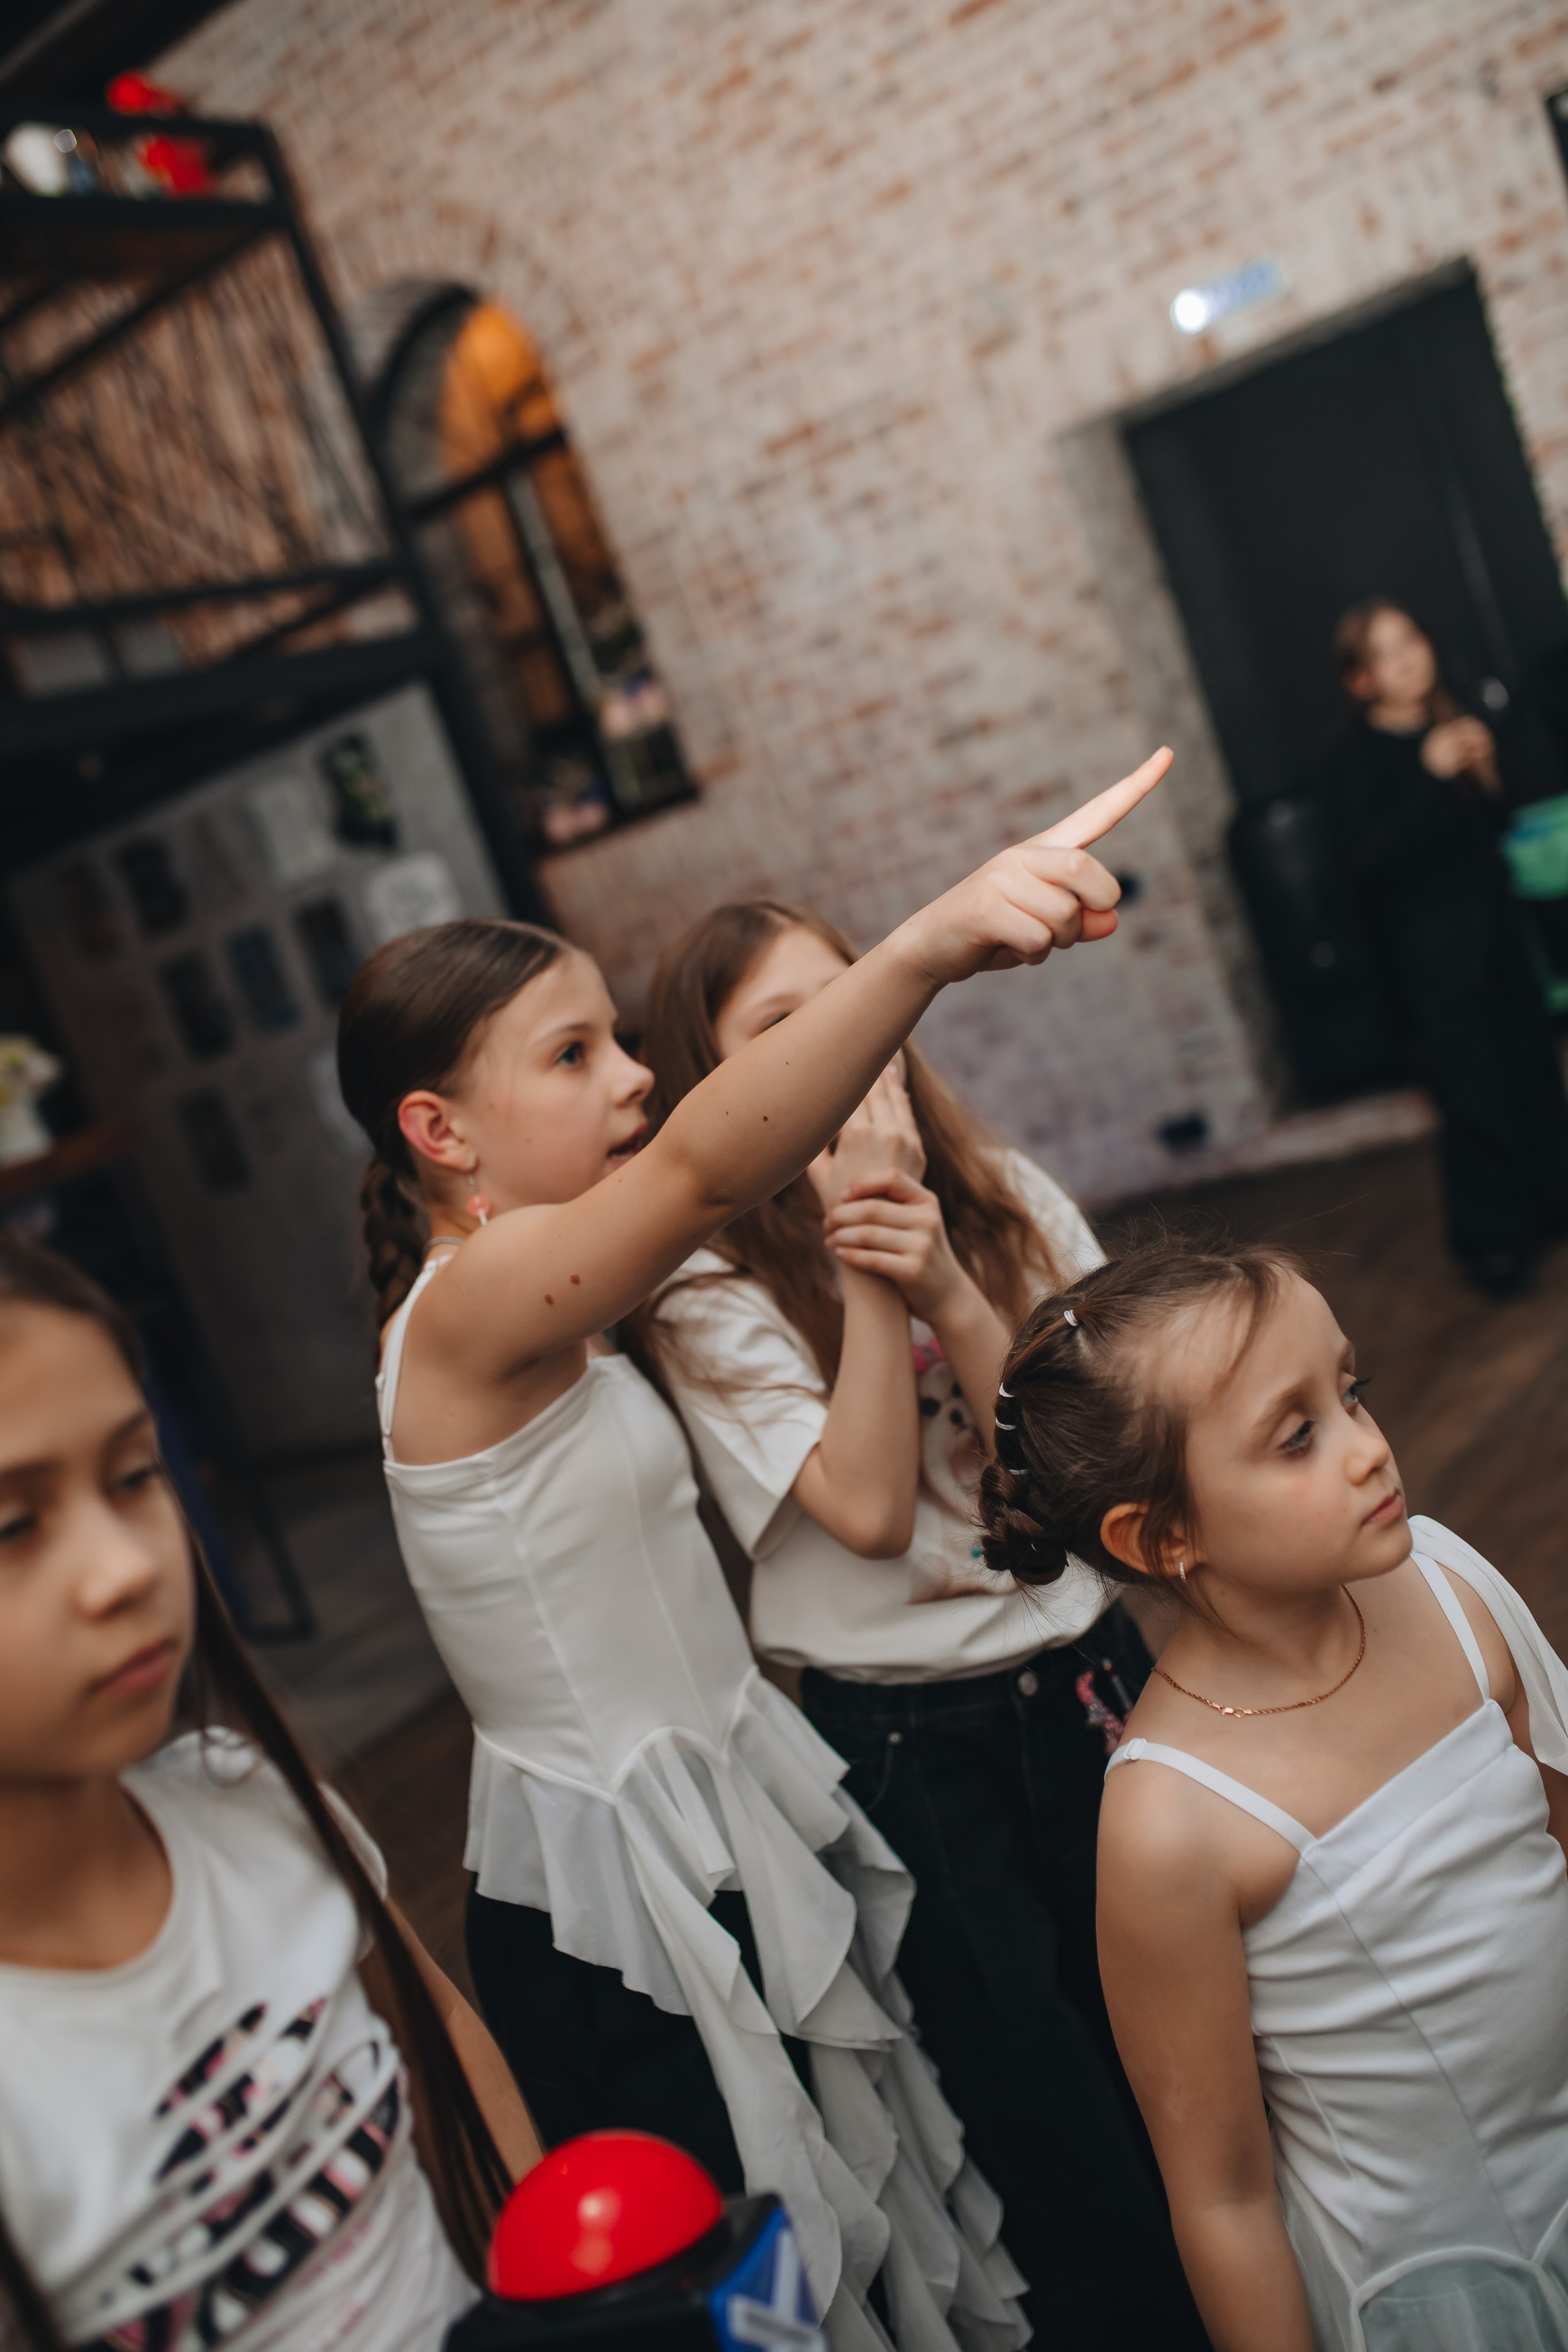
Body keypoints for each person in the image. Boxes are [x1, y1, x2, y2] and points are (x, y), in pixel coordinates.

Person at [334, 750, 1170, 2352]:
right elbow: (720, 1163)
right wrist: (928, 949)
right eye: (579, 1056)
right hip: (622, 1888)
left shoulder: (561, 1300)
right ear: (439, 1128)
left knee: (876, 2231)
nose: (635, 1082)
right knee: (759, 2284)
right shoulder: (467, 1310)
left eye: (627, 1048)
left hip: (734, 1811)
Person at [628, 897, 1206, 2348]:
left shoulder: (1000, 1186)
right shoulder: (705, 1289)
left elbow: (1092, 1474)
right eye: (783, 1030)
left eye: (858, 1001)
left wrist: (947, 1267)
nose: (845, 1046)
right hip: (903, 1733)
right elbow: (872, 1511)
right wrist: (865, 1267)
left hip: (1079, 1671)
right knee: (1039, 2100)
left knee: (1186, 2040)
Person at [978, 1232, 1568, 2351]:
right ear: (1164, 1536)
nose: (1367, 1449)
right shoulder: (1172, 1819)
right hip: (1450, 2287)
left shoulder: (1449, 1585)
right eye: (1298, 1437)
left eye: (1353, 1393)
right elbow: (1224, 2196)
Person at [0, 1235, 538, 2352]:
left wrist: (564, 2299)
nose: (127, 1568)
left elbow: (434, 2017)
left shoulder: (250, 1802)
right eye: (13, 1525)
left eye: (133, 1475)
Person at [1319, 598, 1568, 1294]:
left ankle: (1552, 1203)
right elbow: (1368, 863)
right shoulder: (1354, 758)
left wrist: (1486, 777)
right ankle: (1493, 1243)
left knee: (1530, 1067)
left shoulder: (1451, 723)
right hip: (1430, 955)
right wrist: (1429, 775)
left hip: (1499, 934)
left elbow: (1490, 829)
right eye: (1385, 651)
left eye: (1412, 639)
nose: (1408, 657)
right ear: (1361, 680)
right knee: (1474, 1094)